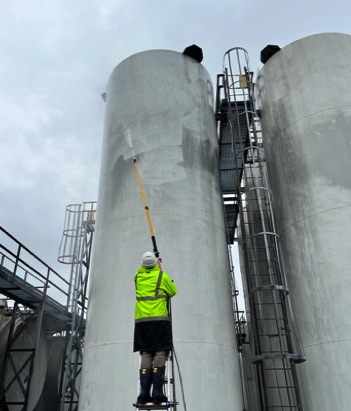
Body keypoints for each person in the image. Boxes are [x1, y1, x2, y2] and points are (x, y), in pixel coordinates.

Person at [133, 251, 177, 405]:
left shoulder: (138, 277)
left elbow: (141, 271)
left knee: (146, 353)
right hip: (159, 321)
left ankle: (143, 394)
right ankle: (157, 393)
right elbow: (173, 291)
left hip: (142, 322)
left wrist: (154, 265)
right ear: (155, 264)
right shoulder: (162, 276)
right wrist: (159, 267)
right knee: (160, 353)